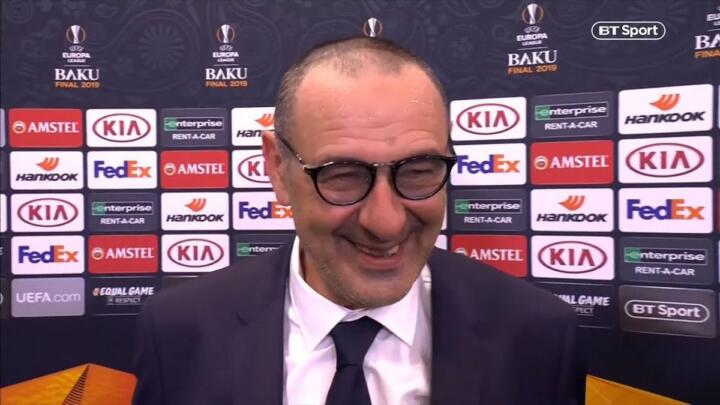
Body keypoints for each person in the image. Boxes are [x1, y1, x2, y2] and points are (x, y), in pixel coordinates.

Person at [132, 37, 585, 405]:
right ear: (277, 169)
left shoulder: (537, 337)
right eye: (343, 176)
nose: (386, 223)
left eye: (418, 170)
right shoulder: (179, 332)